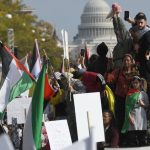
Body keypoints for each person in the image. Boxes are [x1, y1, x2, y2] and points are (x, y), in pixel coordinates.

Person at [105, 54, 139, 146]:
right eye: (124, 60)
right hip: (120, 98)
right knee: (120, 120)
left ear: (131, 61)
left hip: (131, 99)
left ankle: (131, 140)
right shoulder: (119, 71)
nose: (126, 62)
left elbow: (139, 83)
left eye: (128, 60)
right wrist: (109, 69)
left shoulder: (134, 72)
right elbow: (109, 79)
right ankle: (120, 141)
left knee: (130, 120)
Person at [122, 76, 149, 147]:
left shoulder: (143, 94)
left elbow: (147, 106)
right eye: (133, 83)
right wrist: (129, 117)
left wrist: (143, 104)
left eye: (136, 83)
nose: (135, 84)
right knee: (132, 139)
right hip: (132, 116)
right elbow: (127, 107)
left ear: (140, 83)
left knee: (142, 138)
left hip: (141, 117)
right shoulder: (129, 94)